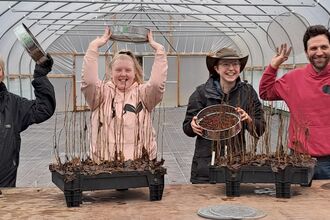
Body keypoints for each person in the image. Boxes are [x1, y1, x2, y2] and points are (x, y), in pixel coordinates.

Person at [81, 27, 168, 162]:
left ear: (135, 73)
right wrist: (94, 47)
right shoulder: (101, 94)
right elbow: (89, 82)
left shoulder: (143, 95)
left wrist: (159, 50)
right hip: (105, 163)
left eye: (128, 70)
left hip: (140, 163)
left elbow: (157, 84)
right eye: (118, 70)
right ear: (111, 73)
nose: (123, 74)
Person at [183, 47, 266, 183]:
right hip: (206, 163)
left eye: (235, 64)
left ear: (240, 67)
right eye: (225, 64)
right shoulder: (201, 93)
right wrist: (192, 126)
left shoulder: (247, 93)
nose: (231, 68)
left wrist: (249, 120)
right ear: (216, 68)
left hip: (236, 160)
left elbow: (260, 129)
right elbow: (187, 128)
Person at [259, 25, 330, 179]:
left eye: (324, 47)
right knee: (301, 203)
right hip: (300, 159)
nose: (319, 52)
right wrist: (273, 66)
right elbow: (265, 92)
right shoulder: (293, 79)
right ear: (306, 52)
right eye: (313, 48)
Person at [0, 54, 56, 187]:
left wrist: (40, 77)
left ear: (2, 74)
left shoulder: (13, 105)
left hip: (4, 188)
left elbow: (43, 109)